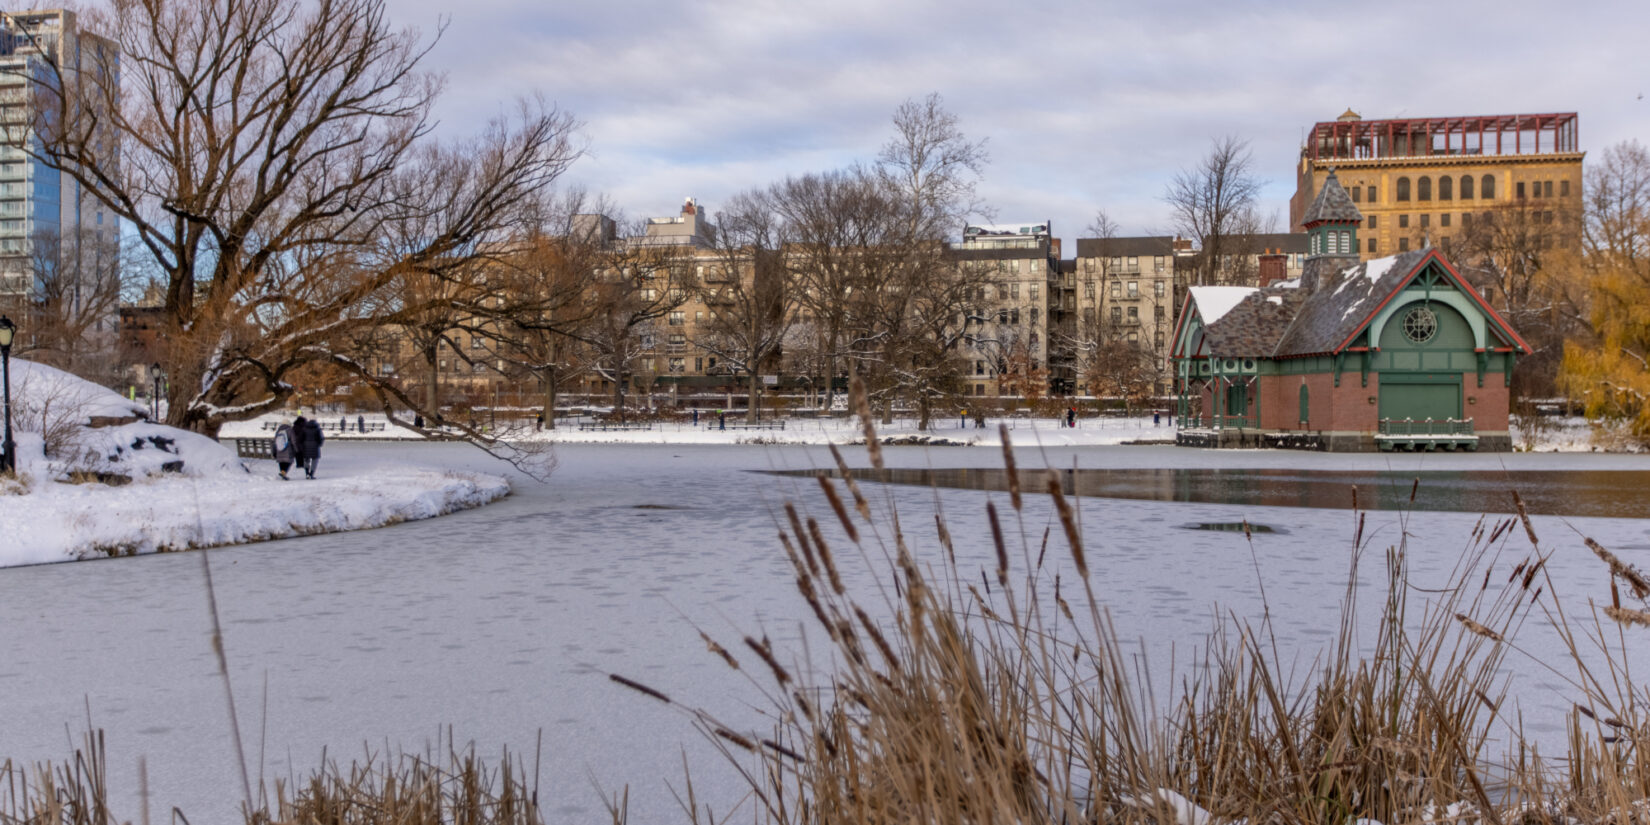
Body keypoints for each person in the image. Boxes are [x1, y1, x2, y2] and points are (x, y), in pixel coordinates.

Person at [295, 415, 325, 479]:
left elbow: (300, 438)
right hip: (315, 446)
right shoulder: (317, 428)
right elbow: (321, 438)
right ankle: (311, 473)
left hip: (306, 446)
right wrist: (319, 444)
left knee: (306, 460)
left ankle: (307, 473)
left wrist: (302, 445)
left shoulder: (304, 428)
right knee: (315, 460)